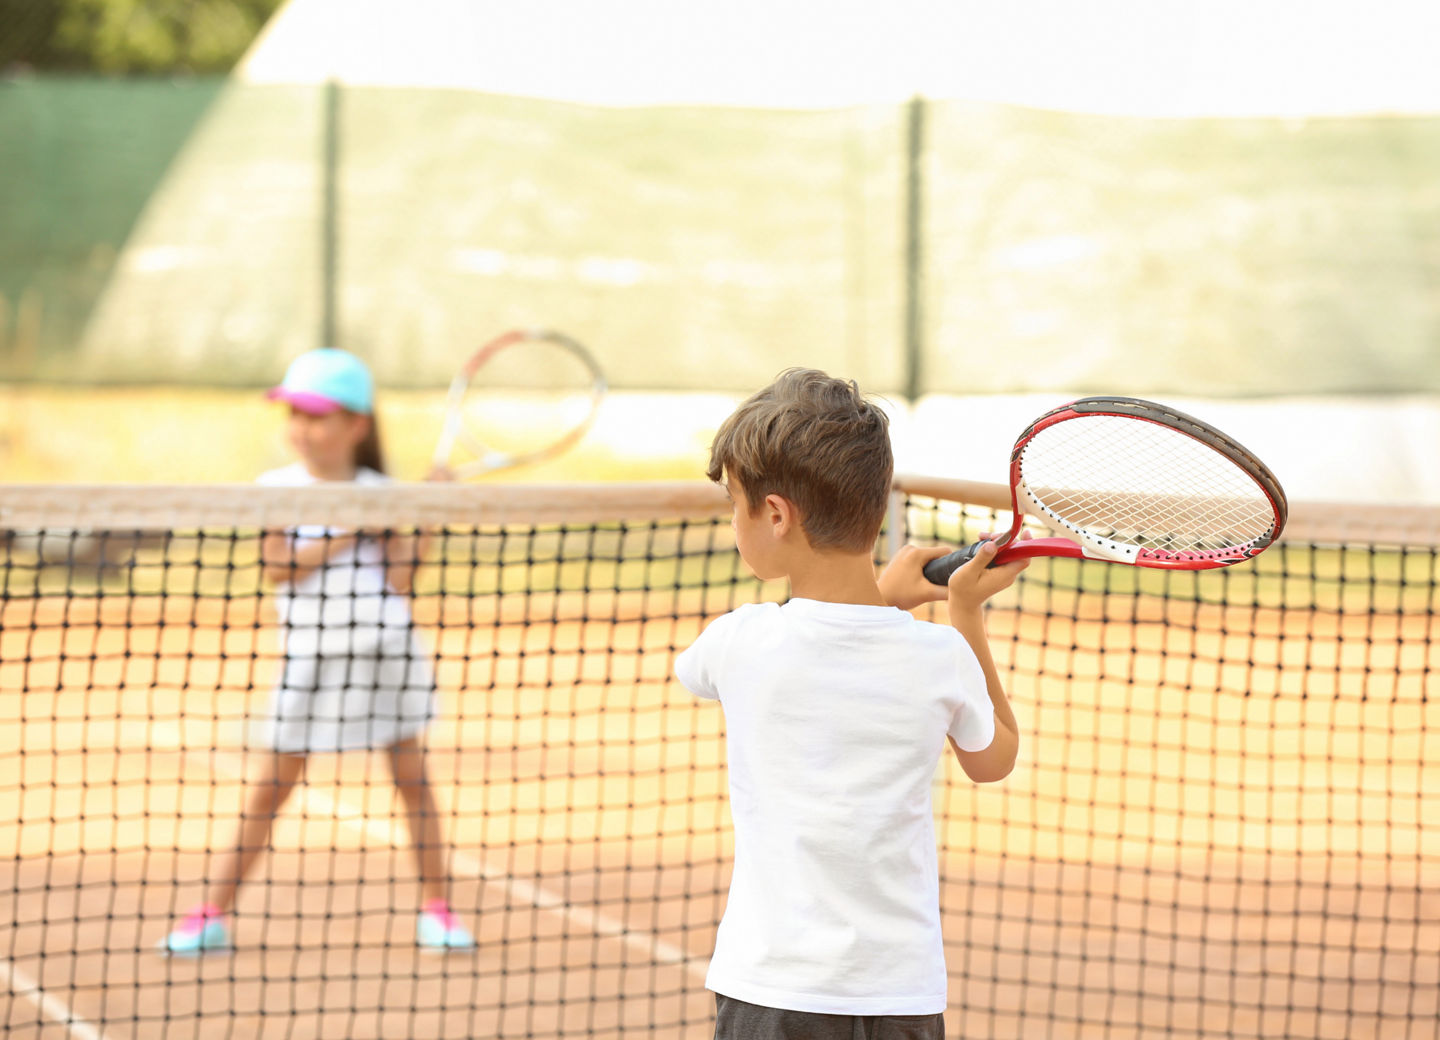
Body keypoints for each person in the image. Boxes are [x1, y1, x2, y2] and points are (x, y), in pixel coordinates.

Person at [673, 368, 1028, 1039]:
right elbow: (994, 758)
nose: (734, 519)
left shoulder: (738, 642)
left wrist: (885, 599)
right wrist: (963, 612)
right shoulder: (939, 659)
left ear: (776, 515)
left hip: (771, 992)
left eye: (736, 503)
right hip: (900, 996)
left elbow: (749, 658)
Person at [161, 348, 475, 955]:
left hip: (386, 652)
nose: (302, 429)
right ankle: (211, 913)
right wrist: (353, 525)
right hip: (311, 658)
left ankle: (438, 910)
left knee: (413, 783)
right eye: (294, 415)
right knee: (271, 787)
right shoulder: (277, 490)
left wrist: (429, 516)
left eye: (317, 416)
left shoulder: (381, 490)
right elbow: (278, 566)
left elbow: (402, 577)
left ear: (356, 425)